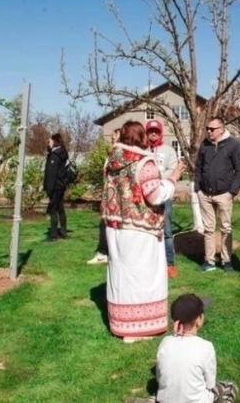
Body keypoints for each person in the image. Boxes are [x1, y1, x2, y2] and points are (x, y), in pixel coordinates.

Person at [102, 121, 185, 343]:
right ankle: (140, 326)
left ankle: (122, 324)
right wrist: (173, 178)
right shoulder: (143, 162)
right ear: (142, 138)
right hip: (140, 230)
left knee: (121, 274)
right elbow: (155, 195)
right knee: (142, 276)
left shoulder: (111, 160)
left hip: (116, 227)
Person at [155, 294, 239, 403]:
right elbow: (210, 384)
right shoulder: (206, 347)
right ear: (198, 320)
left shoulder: (165, 342)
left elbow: (158, 378)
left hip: (165, 400)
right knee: (230, 386)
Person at [194, 117, 240, 273]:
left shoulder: (233, 145)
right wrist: (198, 188)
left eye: (212, 129)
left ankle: (226, 260)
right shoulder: (205, 144)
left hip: (224, 194)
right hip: (205, 194)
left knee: (226, 228)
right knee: (209, 229)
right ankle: (209, 261)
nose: (209, 131)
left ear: (222, 129)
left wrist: (232, 192)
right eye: (207, 128)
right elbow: (198, 167)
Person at [146, 120, 180, 278]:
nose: (153, 134)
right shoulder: (142, 150)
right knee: (147, 230)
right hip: (146, 197)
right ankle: (150, 264)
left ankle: (170, 264)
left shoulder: (168, 150)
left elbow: (173, 170)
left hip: (164, 194)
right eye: (150, 131)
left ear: (160, 133)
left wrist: (156, 176)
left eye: (156, 131)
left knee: (166, 231)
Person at [87, 128, 121, 265]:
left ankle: (106, 253)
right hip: (108, 194)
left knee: (110, 224)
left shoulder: (121, 156)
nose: (113, 138)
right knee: (105, 224)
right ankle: (104, 253)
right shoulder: (111, 155)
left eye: (116, 136)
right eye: (112, 136)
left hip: (117, 197)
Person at [43, 133, 70, 242]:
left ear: (54, 142)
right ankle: (63, 232)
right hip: (61, 186)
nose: (48, 143)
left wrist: (48, 189)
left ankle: (53, 235)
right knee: (60, 209)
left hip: (55, 187)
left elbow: (51, 174)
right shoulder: (62, 153)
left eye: (49, 141)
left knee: (53, 210)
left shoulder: (54, 156)